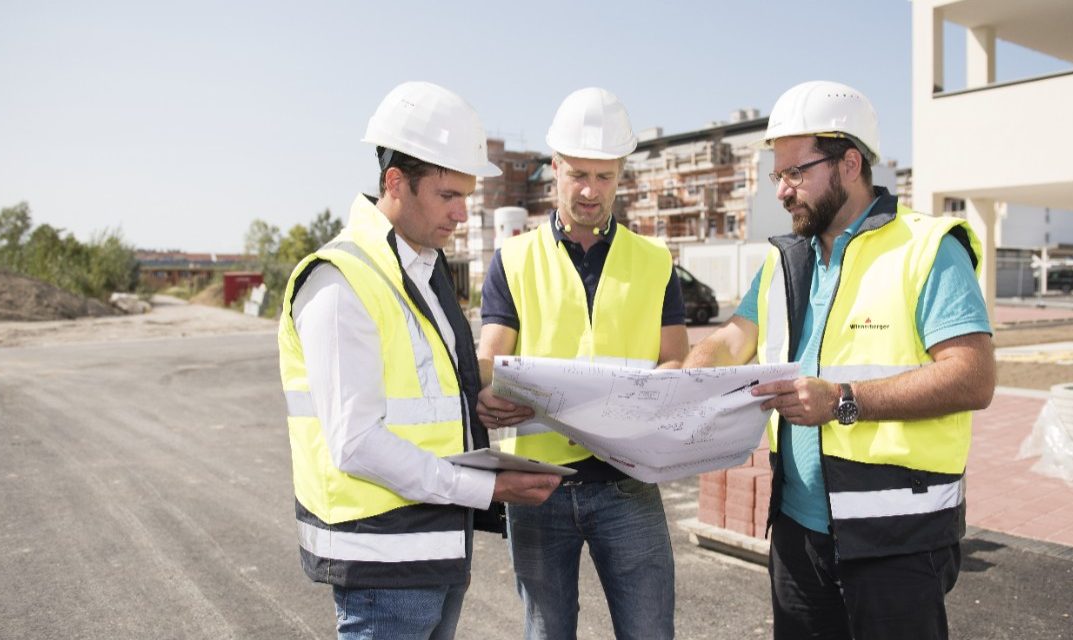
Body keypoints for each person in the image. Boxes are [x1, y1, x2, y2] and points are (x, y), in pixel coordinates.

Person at [681, 80, 996, 640]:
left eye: (795, 173)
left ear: (850, 163)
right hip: (799, 534)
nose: (781, 191)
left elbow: (973, 377)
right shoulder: (785, 261)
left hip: (899, 536)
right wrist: (674, 379)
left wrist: (844, 402)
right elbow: (731, 341)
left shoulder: (927, 248)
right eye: (777, 176)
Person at [276, 81, 561, 640]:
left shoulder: (424, 274)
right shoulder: (340, 281)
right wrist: (488, 489)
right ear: (394, 182)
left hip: (431, 550)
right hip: (380, 561)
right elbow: (356, 443)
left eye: (467, 197)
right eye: (448, 195)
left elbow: (418, 397)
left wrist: (473, 403)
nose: (461, 213)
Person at [475, 87, 689, 640]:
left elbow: (675, 360)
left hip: (629, 482)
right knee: (547, 632)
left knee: (650, 632)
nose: (591, 191)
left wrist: (639, 402)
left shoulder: (655, 260)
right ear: (555, 169)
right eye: (578, 175)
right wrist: (487, 388)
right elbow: (492, 356)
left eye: (604, 177)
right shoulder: (514, 258)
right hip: (539, 484)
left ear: (621, 174)